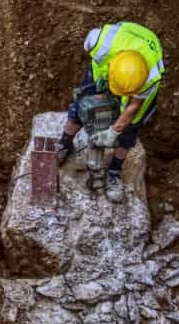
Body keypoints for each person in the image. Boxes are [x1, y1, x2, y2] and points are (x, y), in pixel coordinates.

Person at [58, 22, 165, 203]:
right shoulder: (101, 45)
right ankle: (64, 143)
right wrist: (96, 90)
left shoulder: (149, 78)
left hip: (136, 76)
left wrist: (114, 130)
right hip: (109, 67)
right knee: (82, 106)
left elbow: (133, 108)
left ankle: (114, 173)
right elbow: (89, 47)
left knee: (129, 130)